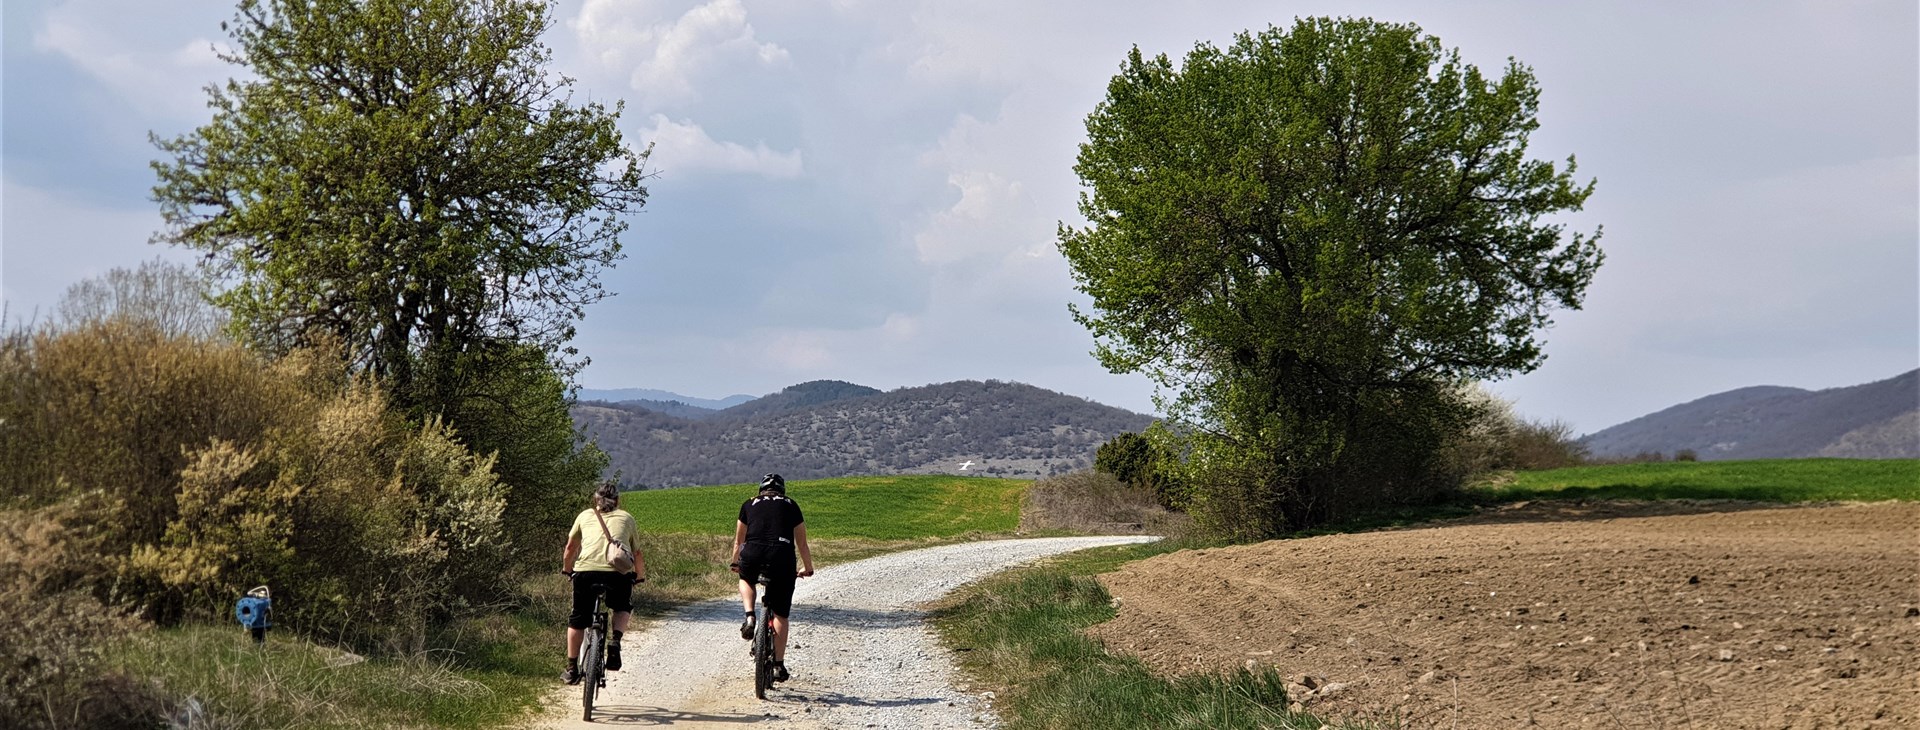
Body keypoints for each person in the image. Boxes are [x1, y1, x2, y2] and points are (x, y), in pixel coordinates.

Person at [730, 473, 814, 683]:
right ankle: (778, 665)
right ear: (782, 490)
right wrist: (808, 568)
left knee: (745, 579)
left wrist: (735, 562)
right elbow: (802, 543)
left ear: (761, 489)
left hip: (753, 554)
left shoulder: (749, 503)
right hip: (781, 558)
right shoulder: (791, 505)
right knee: (781, 615)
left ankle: (750, 616)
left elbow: (739, 541)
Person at [562, 482, 646, 684]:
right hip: (617, 573)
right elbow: (636, 553)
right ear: (617, 500)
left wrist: (567, 569)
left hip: (586, 573)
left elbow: (571, 547)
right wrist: (639, 576)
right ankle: (615, 640)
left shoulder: (584, 516)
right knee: (622, 606)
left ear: (596, 500)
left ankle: (572, 668)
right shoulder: (627, 518)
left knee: (577, 619)